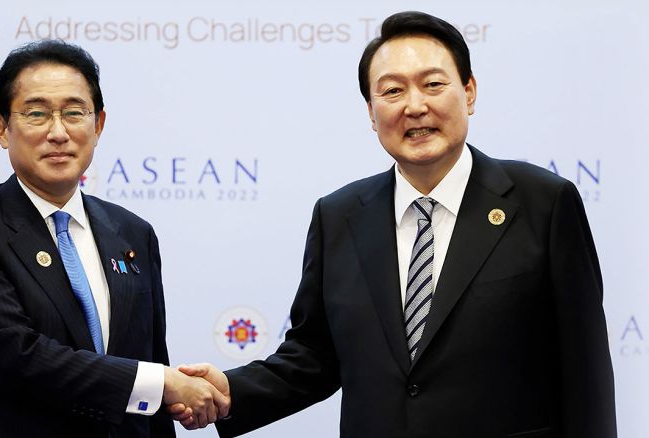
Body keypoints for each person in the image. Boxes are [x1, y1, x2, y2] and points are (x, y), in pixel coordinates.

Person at [171, 11, 617, 438]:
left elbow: (586, 369)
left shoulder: (543, 202)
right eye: (392, 91)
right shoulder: (339, 216)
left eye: (433, 84)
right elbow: (314, 355)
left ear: (469, 92)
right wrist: (230, 392)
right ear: (371, 112)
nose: (415, 106)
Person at [0, 40, 227, 438]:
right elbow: (15, 359)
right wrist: (161, 384)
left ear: (98, 125)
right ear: (1, 128)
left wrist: (166, 389)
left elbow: (151, 361)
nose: (58, 133)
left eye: (74, 113)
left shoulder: (132, 232)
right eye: (36, 113)